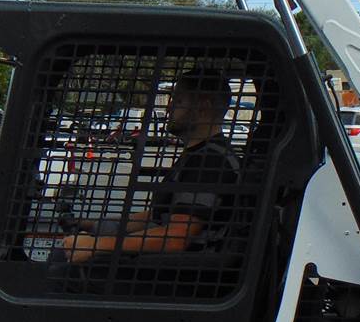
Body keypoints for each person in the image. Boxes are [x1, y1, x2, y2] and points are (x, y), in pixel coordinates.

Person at [59, 67, 241, 265]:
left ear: (203, 106)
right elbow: (157, 217)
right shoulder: (197, 156)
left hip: (173, 275)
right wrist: (93, 226)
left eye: (178, 101)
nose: (169, 107)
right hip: (162, 267)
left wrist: (97, 245)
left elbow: (175, 237)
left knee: (60, 269)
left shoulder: (210, 162)